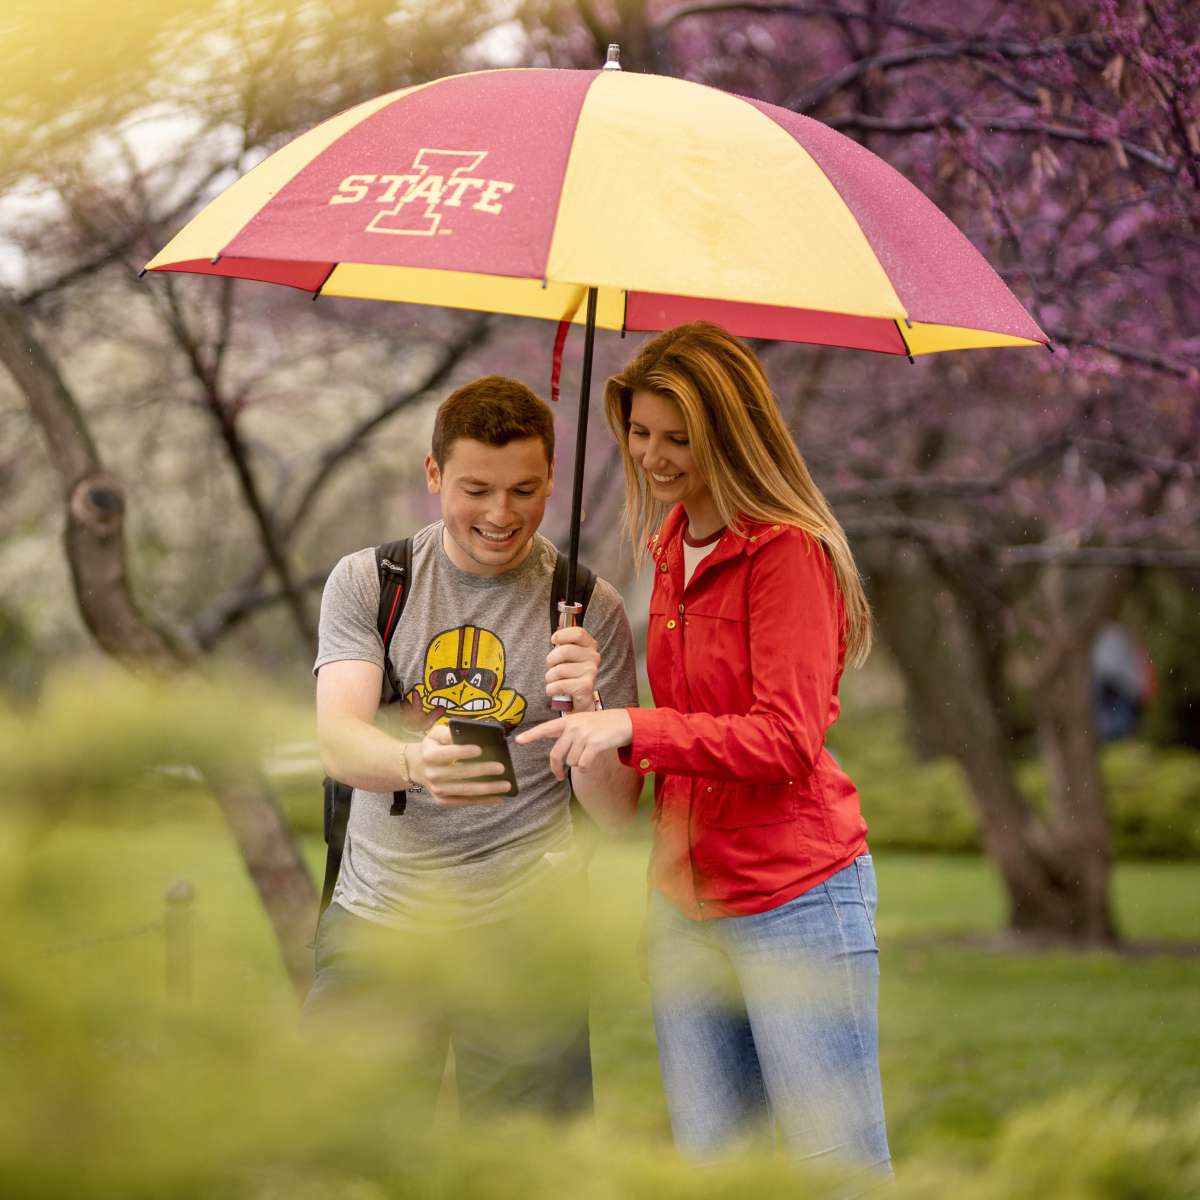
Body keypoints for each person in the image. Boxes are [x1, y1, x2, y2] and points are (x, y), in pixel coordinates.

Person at [518, 324, 891, 1184]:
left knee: (836, 1170)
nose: (653, 456)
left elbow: (785, 739)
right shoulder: (670, 547)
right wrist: (592, 702)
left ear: (731, 432)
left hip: (794, 900)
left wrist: (635, 730)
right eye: (640, 432)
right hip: (683, 903)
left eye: (678, 438)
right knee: (713, 1174)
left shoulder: (787, 553)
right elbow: (682, 731)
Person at [307, 375, 640, 1120]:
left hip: (527, 940)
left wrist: (589, 707)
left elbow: (618, 814)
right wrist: (413, 763)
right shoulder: (374, 582)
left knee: (523, 1173)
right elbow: (338, 738)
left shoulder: (591, 606)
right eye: (475, 489)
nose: (500, 515)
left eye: (525, 490)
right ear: (433, 476)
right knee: (348, 1164)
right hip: (380, 927)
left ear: (553, 477)